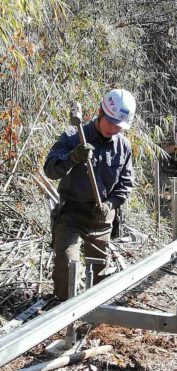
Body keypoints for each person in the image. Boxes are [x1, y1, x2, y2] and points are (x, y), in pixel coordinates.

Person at [44, 88, 136, 301]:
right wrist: (72, 157)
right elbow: (50, 170)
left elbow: (125, 184)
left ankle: (95, 310)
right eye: (110, 122)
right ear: (100, 112)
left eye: (119, 126)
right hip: (72, 214)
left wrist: (110, 205)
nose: (113, 129)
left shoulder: (123, 146)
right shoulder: (73, 136)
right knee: (66, 266)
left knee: (100, 274)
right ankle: (63, 311)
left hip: (101, 217)